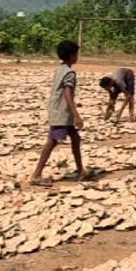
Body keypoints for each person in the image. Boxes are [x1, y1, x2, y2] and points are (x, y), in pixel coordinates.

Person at [30, 40, 87, 186]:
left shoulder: (60, 69)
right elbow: (67, 94)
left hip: (59, 110)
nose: (77, 56)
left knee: (75, 138)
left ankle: (81, 171)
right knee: (52, 141)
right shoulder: (69, 73)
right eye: (76, 54)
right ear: (72, 55)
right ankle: (36, 175)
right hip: (62, 113)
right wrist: (76, 115)